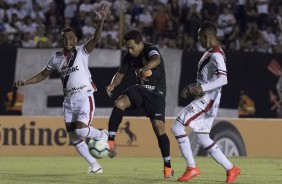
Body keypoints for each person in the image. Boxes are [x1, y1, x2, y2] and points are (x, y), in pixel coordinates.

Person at [14, 5, 111, 174]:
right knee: (73, 137)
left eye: (71, 38)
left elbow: (95, 39)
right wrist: (25, 82)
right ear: (60, 41)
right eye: (64, 38)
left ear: (75, 39)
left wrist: (100, 22)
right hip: (68, 101)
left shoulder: (82, 52)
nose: (68, 41)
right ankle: (95, 165)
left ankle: (102, 134)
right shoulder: (56, 58)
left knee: (81, 129)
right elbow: (42, 75)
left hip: (84, 96)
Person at [171, 22, 240, 183]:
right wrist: (192, 86)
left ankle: (191, 167)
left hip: (206, 100)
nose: (198, 40)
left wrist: (202, 88)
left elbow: (224, 79)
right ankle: (231, 169)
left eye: (199, 36)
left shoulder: (216, 54)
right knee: (202, 138)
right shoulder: (211, 52)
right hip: (206, 99)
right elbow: (208, 78)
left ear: (206, 36)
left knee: (177, 127)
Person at [105, 29, 174, 178]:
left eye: (132, 47)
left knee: (158, 128)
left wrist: (145, 68)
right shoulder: (128, 56)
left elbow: (156, 60)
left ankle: (167, 166)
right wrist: (112, 85)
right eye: (127, 48)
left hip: (156, 93)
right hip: (141, 90)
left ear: (140, 44)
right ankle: (110, 141)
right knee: (120, 103)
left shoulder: (150, 49)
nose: (129, 51)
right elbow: (120, 74)